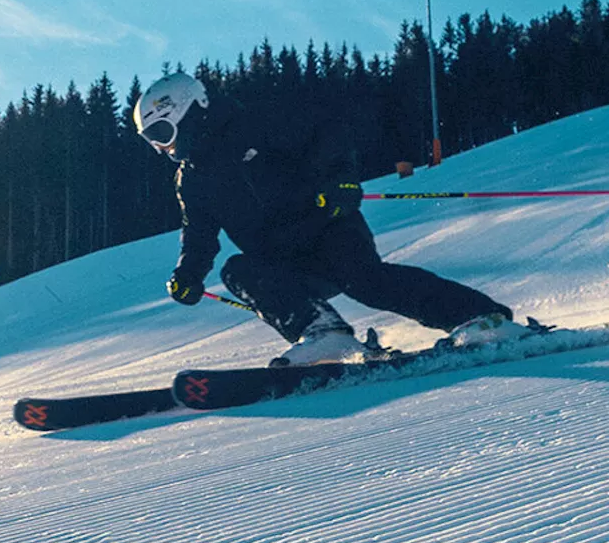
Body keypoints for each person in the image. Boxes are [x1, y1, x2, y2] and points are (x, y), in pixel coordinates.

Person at [133, 71, 527, 367]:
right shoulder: (192, 178)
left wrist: (339, 182)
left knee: (365, 281)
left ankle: (480, 318)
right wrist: (189, 275)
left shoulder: (253, 124)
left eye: (163, 131)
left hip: (328, 226)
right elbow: (199, 232)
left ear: (190, 111)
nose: (162, 146)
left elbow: (325, 135)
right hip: (281, 261)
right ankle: (324, 334)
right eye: (152, 141)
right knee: (238, 270)